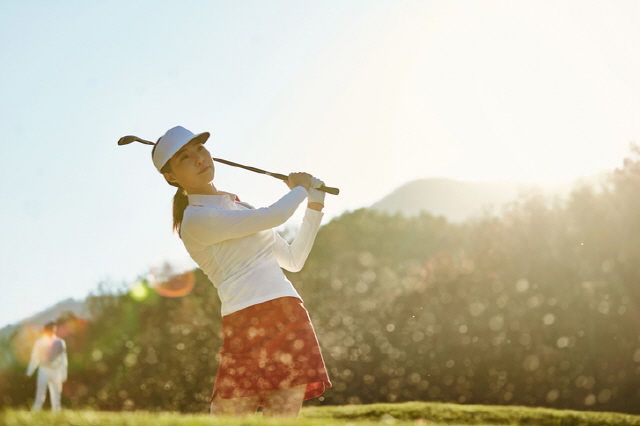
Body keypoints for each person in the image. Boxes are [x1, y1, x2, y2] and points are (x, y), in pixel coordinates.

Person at [150, 126, 331, 417]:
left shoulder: (239, 206)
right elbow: (274, 215)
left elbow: (293, 260)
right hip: (245, 319)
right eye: (185, 158)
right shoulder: (194, 220)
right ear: (171, 177)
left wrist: (315, 204)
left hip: (288, 311)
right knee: (230, 418)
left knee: (282, 420)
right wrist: (299, 188)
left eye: (200, 149)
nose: (199, 159)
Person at [26, 321, 68, 412]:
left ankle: (56, 413)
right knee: (40, 393)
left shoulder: (60, 342)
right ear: (46, 330)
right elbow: (35, 358)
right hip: (43, 370)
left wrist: (64, 373)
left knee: (56, 394)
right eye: (50, 328)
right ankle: (36, 412)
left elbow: (63, 359)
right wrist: (29, 371)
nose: (52, 330)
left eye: (53, 328)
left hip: (56, 371)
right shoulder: (40, 342)